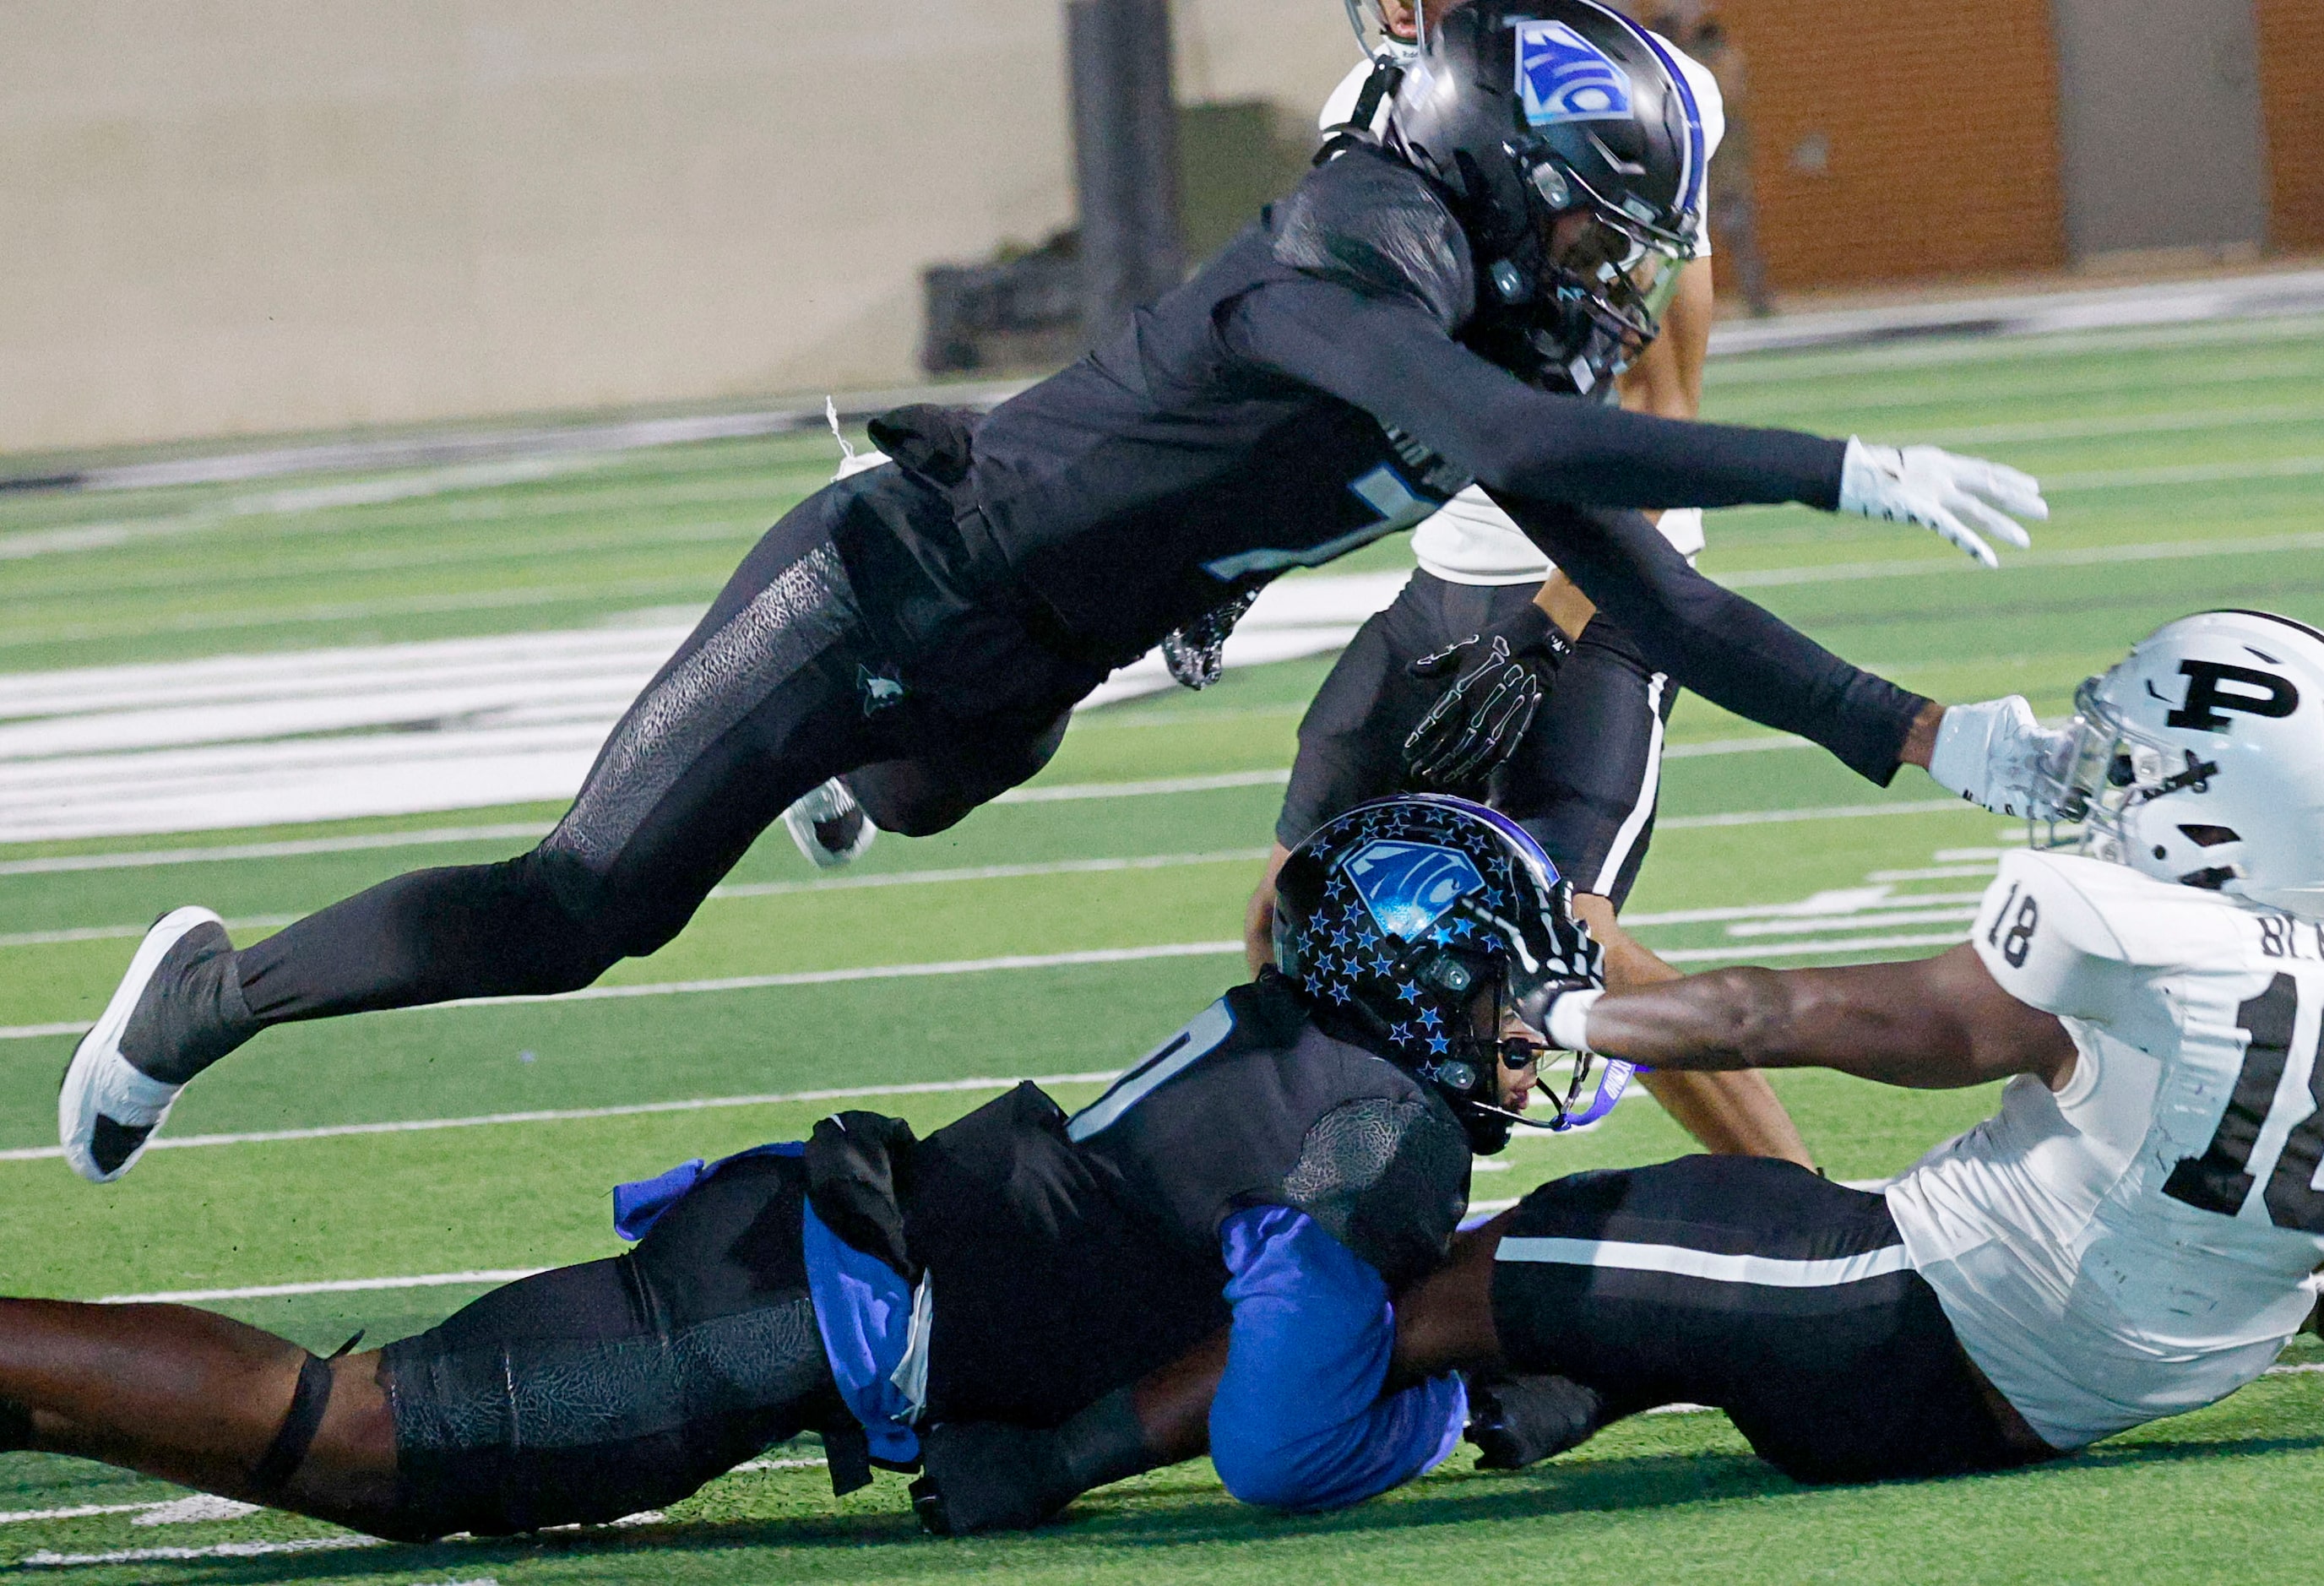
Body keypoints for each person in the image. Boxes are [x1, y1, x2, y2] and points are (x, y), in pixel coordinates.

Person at [62, 0, 2060, 1184]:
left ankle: (870, 776)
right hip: (889, 586)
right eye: (1583, 219)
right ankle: (204, 997)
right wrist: (1836, 467)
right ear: (1481, 163)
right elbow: (1523, 450)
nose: (1608, 275)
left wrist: (1947, 738)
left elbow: (1675, 612)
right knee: (591, 908)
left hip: (1036, 652)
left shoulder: (1481, 311)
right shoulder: (1347, 265)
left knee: (934, 786)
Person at [952, 609, 2324, 1513]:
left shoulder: (2129, 931)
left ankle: (1054, 1457)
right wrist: (2271, 1293)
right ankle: (1580, 1386)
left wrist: (1565, 1015)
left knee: (1472, 1272)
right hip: (2071, 1387)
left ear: (2218, 809)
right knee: (1707, 1264)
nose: (2103, 783)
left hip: (1903, 1333)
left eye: (2138, 765)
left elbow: (1800, 1020)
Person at [2, 798, 1605, 1540]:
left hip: (817, 1265)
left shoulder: (1331, 1073)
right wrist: (1055, 1469)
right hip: (809, 1307)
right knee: (356, 1439)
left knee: (373, 1448)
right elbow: (1268, 1379)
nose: (1528, 1027)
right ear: (1416, 975)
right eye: (1502, 989)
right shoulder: (1382, 1131)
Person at [1235, 0, 1810, 1165]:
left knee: (1567, 934)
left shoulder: (1644, 96)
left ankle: (1806, 1200)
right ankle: (1347, 1196)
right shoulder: (1373, 110)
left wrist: (1547, 631)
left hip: (1603, 588)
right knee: (1290, 912)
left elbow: (1662, 406)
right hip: (1440, 579)